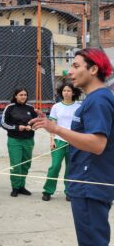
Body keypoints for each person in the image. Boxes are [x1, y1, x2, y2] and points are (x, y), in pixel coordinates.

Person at [30, 48, 114, 246]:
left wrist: (56, 129)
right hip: (90, 181)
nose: (70, 72)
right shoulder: (96, 99)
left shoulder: (98, 100)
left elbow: (97, 144)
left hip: (89, 183)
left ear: (93, 69)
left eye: (76, 66)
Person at [42, 81, 81, 202]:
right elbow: (53, 124)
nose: (66, 93)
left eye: (69, 90)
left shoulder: (79, 107)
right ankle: (48, 191)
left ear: (73, 92)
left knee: (71, 168)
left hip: (73, 141)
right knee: (55, 166)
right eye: (64, 90)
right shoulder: (56, 107)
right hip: (59, 141)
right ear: (61, 92)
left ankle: (69, 192)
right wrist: (52, 140)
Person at [1, 88, 37, 197]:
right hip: (14, 140)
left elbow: (36, 123)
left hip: (28, 140)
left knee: (26, 164)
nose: (23, 97)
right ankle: (15, 187)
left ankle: (22, 186)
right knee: (16, 165)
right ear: (16, 96)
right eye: (21, 95)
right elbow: (3, 123)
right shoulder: (10, 108)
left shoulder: (31, 108)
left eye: (25, 95)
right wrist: (17, 127)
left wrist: (31, 126)